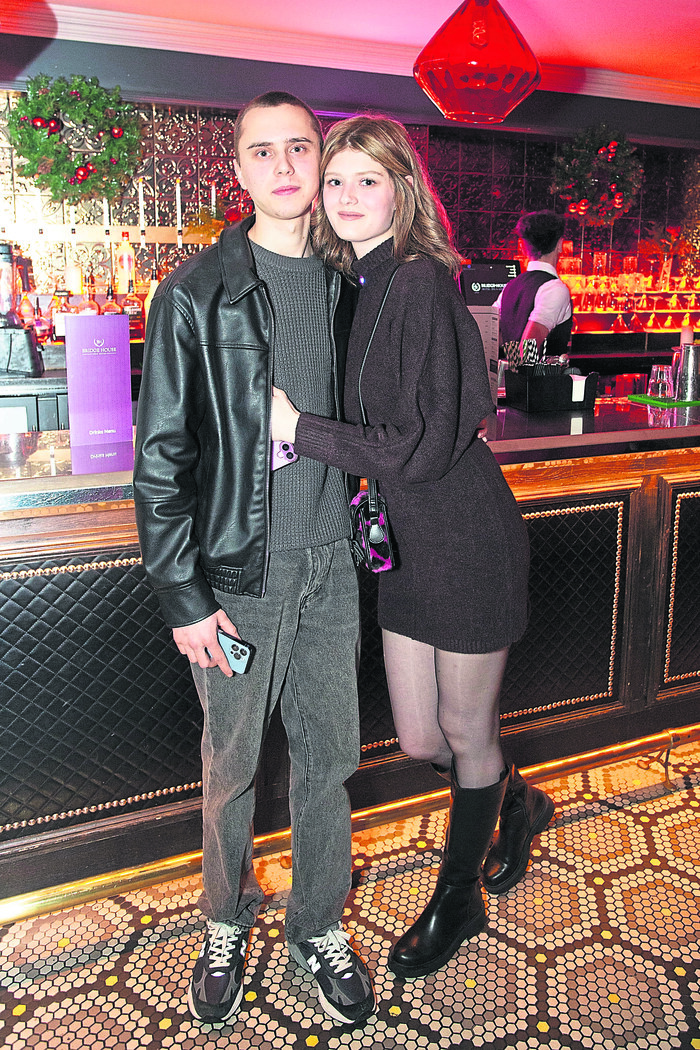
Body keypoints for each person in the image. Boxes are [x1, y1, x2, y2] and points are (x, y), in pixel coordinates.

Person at [271, 115, 552, 979]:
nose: (348, 195)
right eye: (337, 181)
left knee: (465, 730)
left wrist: (298, 428)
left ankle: (457, 899)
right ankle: (515, 799)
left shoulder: (420, 279)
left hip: (464, 536)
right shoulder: (359, 283)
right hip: (405, 544)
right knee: (422, 738)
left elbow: (425, 447)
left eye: (369, 179)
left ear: (404, 190)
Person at [133, 91, 375, 1027]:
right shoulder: (196, 293)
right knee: (230, 769)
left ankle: (316, 924)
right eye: (262, 151)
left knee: (330, 762)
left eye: (299, 148)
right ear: (237, 170)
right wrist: (184, 597)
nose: (283, 166)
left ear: (322, 161)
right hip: (240, 578)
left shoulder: (354, 283)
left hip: (334, 568)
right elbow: (162, 461)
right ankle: (224, 921)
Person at [494, 210, 573, 358]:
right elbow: (527, 353)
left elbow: (492, 335)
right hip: (542, 374)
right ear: (560, 244)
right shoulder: (554, 289)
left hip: (510, 372)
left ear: (523, 248)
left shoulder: (509, 287)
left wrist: (509, 363)